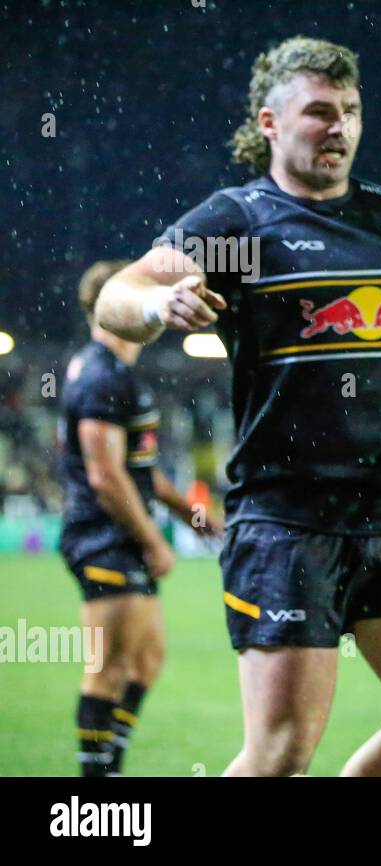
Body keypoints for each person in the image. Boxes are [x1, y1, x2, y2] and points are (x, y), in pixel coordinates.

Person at [95, 36, 381, 776]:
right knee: (277, 756)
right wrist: (158, 299)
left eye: (350, 110)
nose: (337, 126)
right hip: (285, 518)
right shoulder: (239, 222)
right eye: (317, 112)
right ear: (270, 123)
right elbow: (119, 298)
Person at [61, 259, 223, 776]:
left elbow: (140, 473)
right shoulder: (101, 374)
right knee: (105, 673)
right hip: (104, 539)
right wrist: (155, 540)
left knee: (146, 663)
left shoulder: (119, 374)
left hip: (123, 538)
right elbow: (106, 478)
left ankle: (110, 770)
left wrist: (195, 517)